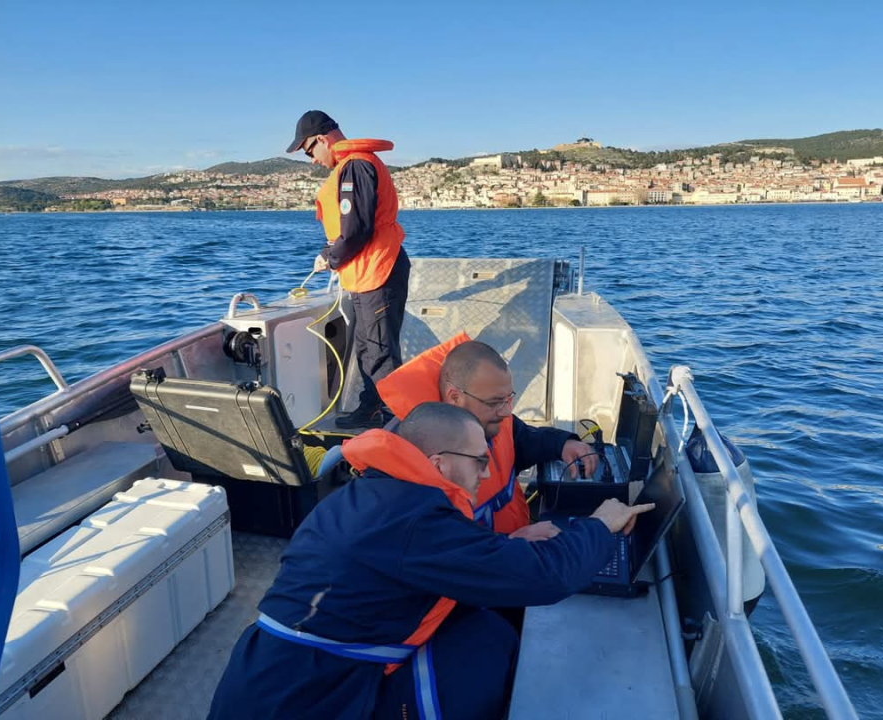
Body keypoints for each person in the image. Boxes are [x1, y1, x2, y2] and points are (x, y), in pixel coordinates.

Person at [208, 402, 652, 720]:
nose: (485, 472)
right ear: (438, 464)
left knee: (484, 623)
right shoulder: (412, 518)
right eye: (480, 461)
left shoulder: (384, 494)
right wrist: (601, 524)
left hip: (275, 674)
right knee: (486, 645)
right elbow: (546, 577)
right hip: (307, 698)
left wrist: (511, 540)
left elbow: (430, 558)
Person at [377, 333, 599, 538]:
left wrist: (562, 443)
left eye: (508, 398)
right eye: (494, 402)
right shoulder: (413, 465)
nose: (505, 412)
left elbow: (522, 439)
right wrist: (510, 544)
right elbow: (439, 555)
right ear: (455, 398)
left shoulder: (491, 417)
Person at [287, 109, 410, 429]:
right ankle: (372, 408)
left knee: (380, 351)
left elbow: (356, 229)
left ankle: (397, 426)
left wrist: (331, 256)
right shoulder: (351, 165)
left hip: (379, 268)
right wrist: (332, 254)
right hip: (368, 269)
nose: (311, 159)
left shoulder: (355, 166)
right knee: (369, 346)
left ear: (321, 139)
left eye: (309, 150)